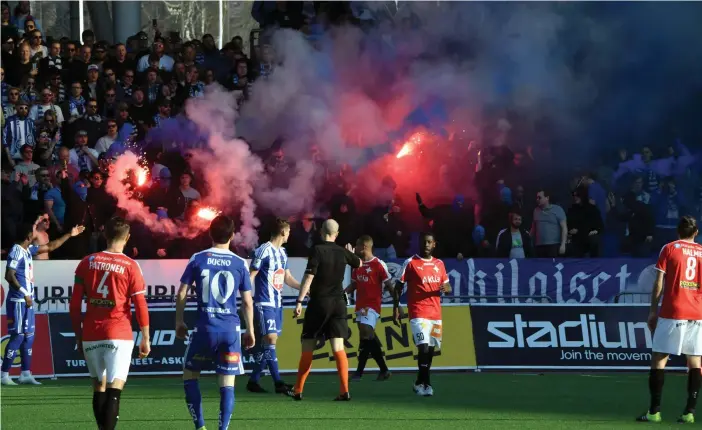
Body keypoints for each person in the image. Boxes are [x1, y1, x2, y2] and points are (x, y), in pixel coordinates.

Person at [175, 215, 255, 430]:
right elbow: (247, 302)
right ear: (232, 236)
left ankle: (200, 426)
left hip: (205, 329)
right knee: (227, 383)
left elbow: (182, 292)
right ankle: (223, 428)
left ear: (210, 233)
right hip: (230, 330)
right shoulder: (239, 263)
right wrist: (251, 331)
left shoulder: (198, 258)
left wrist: (179, 321)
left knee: (190, 375)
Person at [69, 217, 150, 430]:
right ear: (128, 238)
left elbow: (75, 305)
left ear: (105, 236)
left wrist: (79, 335)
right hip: (119, 333)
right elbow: (140, 304)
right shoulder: (131, 266)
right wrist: (146, 337)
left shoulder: (87, 262)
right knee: (115, 387)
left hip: (92, 333)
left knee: (98, 387)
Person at [1, 214, 85, 386]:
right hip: (18, 301)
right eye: (32, 231)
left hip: (28, 301)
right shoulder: (16, 250)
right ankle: (3, 374)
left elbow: (51, 246)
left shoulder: (27, 250)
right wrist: (25, 293)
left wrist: (70, 234)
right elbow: (9, 275)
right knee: (17, 336)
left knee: (29, 337)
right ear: (28, 236)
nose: (35, 233)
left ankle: (25, 373)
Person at [638, 216, 702, 424]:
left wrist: (652, 311)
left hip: (674, 310)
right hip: (697, 312)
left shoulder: (669, 248)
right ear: (696, 232)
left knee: (659, 358)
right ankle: (689, 412)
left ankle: (654, 411)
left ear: (678, 231)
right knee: (694, 361)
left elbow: (658, 284)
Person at [292, 219, 362, 401]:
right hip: (338, 304)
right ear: (337, 234)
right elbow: (359, 263)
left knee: (308, 344)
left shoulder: (317, 249)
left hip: (319, 303)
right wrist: (349, 252)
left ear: (321, 232)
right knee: (338, 347)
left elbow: (309, 276)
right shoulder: (342, 251)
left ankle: (298, 390)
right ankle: (344, 390)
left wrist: (299, 301)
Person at [393, 232, 451, 397]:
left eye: (429, 242)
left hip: (435, 314)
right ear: (419, 243)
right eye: (424, 242)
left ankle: (419, 381)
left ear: (434, 245)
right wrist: (396, 307)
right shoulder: (410, 263)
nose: (426, 245)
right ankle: (427, 384)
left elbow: (447, 287)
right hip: (418, 312)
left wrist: (445, 289)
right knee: (423, 348)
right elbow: (398, 287)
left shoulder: (439, 264)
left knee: (430, 351)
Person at [247, 218, 301, 394]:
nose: (290, 234)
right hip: (264, 302)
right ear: (283, 232)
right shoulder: (263, 250)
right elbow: (251, 276)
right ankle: (278, 382)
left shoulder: (283, 253)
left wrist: (304, 288)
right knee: (270, 340)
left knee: (268, 345)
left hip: (278, 304)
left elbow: (286, 278)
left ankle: (253, 380)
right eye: (289, 231)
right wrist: (246, 299)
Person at [344, 235, 393, 381]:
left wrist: (397, 306)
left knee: (366, 334)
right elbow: (354, 284)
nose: (355, 249)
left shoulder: (379, 264)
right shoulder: (357, 265)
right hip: (360, 306)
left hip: (372, 306)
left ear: (364, 247)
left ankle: (367, 371)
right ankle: (375, 371)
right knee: (366, 340)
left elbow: (389, 286)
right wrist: (343, 292)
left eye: (357, 246)